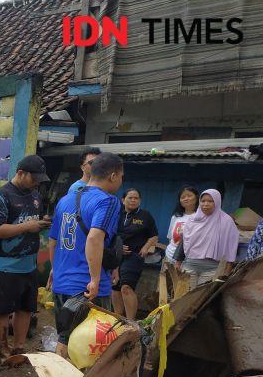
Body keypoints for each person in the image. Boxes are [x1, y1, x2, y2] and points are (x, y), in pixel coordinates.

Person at [48, 152, 123, 355]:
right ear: (113, 176)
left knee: (65, 339)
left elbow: (52, 240)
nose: (121, 181)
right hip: (87, 288)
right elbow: (94, 238)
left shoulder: (66, 199)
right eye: (121, 176)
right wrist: (95, 279)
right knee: (94, 345)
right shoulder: (109, 201)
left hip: (62, 284)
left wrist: (54, 269)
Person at [0, 155, 50, 357]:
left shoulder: (36, 196)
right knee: (2, 311)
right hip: (5, 265)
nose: (37, 183)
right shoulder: (1, 196)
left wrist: (41, 222)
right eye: (34, 178)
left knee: (25, 309)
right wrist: (28, 226)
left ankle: (19, 347)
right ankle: (3, 347)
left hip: (29, 264)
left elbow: (32, 222)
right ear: (20, 173)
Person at [174, 189, 239, 289]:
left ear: (217, 202)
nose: (205, 204)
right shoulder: (192, 220)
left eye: (210, 201)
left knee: (202, 300)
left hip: (212, 269)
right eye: (203, 201)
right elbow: (183, 242)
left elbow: (231, 247)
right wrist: (178, 262)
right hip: (189, 266)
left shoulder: (226, 221)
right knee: (185, 298)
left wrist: (227, 270)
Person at [111, 188, 158, 320]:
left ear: (140, 201)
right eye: (130, 197)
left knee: (126, 287)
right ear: (123, 200)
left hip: (134, 256)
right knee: (115, 288)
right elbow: (108, 235)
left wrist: (145, 248)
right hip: (115, 256)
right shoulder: (116, 214)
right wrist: (117, 247)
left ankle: (131, 321)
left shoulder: (145, 216)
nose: (133, 200)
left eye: (136, 198)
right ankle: (117, 318)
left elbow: (154, 236)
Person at [164, 186, 199, 263]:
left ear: (196, 197)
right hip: (169, 257)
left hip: (188, 261)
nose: (186, 199)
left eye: (189, 196)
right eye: (183, 197)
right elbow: (170, 238)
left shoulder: (200, 217)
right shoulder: (176, 216)